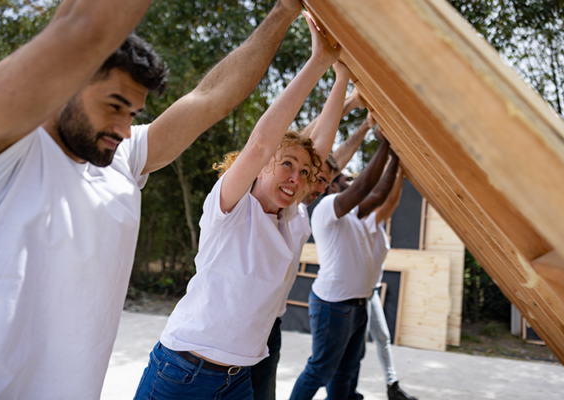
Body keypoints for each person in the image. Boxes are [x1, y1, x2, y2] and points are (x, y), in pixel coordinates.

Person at [0, 0, 307, 398]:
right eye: (114, 106)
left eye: (132, 114)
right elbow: (78, 28)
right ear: (65, 81)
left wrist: (285, 10)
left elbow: (212, 98)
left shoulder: (121, 158)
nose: (124, 128)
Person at [133, 11, 340, 400]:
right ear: (262, 167)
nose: (296, 177)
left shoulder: (291, 221)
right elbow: (262, 142)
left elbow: (320, 154)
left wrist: (341, 78)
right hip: (183, 372)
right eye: (287, 165)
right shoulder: (230, 208)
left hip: (238, 379)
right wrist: (319, 63)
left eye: (304, 173)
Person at [250, 76, 369, 400]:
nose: (318, 186)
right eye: (309, 176)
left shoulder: (299, 211)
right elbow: (298, 147)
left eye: (322, 182)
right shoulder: (273, 202)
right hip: (238, 328)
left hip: (269, 328)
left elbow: (330, 160)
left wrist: (366, 126)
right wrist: (348, 102)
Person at [289, 129, 398, 400]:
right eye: (347, 179)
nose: (354, 182)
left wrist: (395, 157)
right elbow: (364, 188)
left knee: (348, 371)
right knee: (321, 370)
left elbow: (377, 194)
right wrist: (385, 143)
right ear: (334, 186)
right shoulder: (327, 207)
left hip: (358, 304)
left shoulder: (355, 215)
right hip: (334, 306)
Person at [358, 165, 418, 400]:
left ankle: (392, 386)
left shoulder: (377, 225)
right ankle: (342, 389)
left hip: (371, 293)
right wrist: (398, 170)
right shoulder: (368, 221)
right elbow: (390, 200)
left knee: (382, 337)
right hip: (361, 294)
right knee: (356, 348)